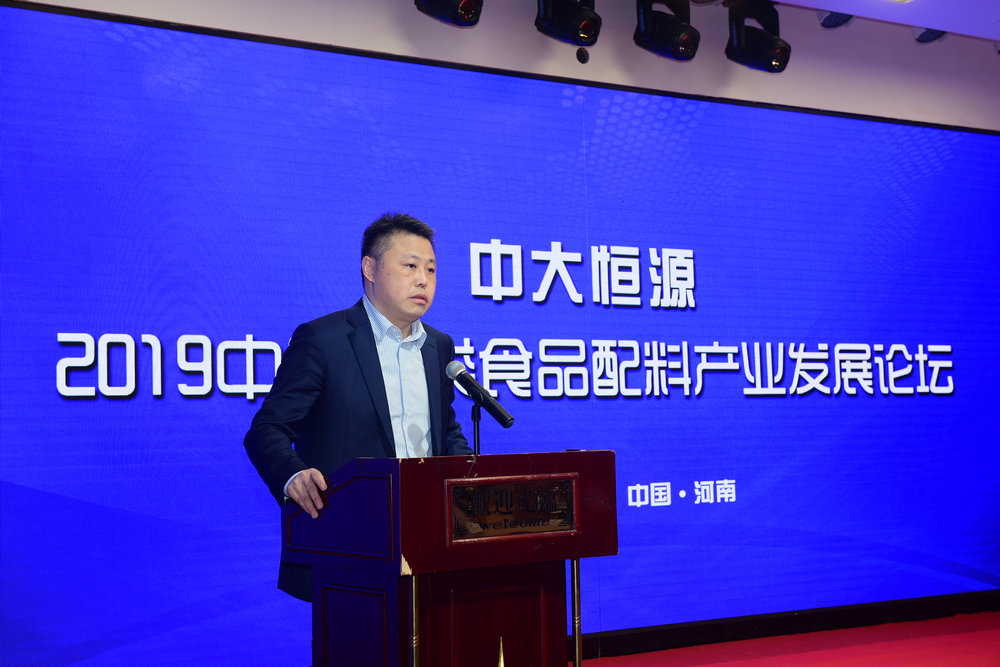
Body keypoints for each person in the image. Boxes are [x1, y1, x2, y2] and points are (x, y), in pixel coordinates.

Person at [244, 212, 471, 601]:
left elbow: (445, 431)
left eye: (431, 270)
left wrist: (469, 480)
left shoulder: (439, 346)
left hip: (428, 539)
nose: (423, 280)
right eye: (411, 266)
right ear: (370, 268)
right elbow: (267, 430)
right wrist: (292, 475)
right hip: (348, 541)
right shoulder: (323, 340)